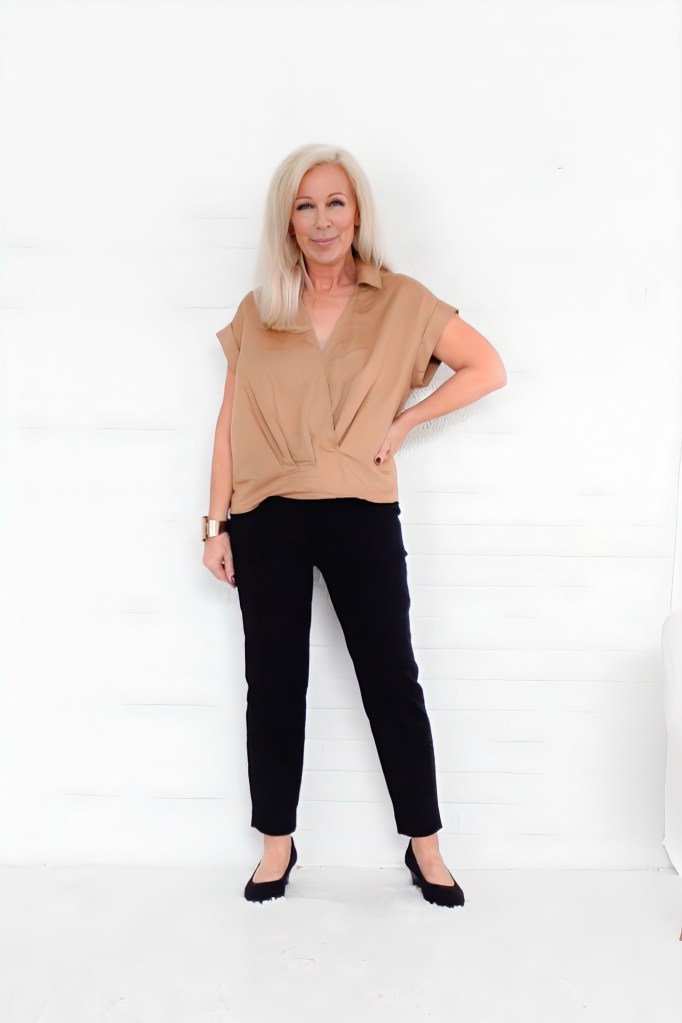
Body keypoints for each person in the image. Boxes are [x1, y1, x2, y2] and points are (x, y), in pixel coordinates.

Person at [203, 143, 507, 907]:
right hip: (266, 514)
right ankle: (277, 843)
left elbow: (487, 367)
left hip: (361, 512)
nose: (321, 219)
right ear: (288, 221)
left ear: (358, 211)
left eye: (335, 201)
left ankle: (425, 843)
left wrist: (405, 422)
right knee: (272, 684)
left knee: (390, 678)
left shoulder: (401, 301)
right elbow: (229, 421)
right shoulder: (260, 308)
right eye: (304, 205)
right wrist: (215, 523)